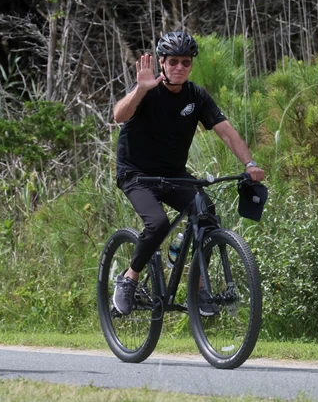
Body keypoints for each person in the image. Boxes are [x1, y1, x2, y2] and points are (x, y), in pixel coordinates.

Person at [112, 31, 265, 316]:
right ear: (162, 62)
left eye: (185, 62)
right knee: (157, 223)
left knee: (206, 212)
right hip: (136, 174)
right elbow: (119, 116)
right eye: (173, 62)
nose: (179, 67)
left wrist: (249, 164)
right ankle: (129, 278)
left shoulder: (196, 96)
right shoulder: (147, 91)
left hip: (173, 174)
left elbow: (227, 133)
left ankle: (198, 289)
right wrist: (140, 89)